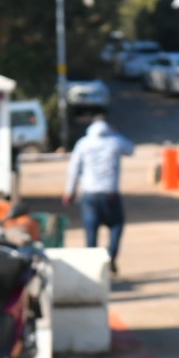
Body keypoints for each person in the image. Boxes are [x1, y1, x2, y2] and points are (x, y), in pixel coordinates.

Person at [62, 109, 135, 273]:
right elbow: (131, 149)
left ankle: (93, 267)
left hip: (89, 195)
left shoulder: (83, 143)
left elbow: (74, 169)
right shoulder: (115, 141)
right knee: (116, 225)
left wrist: (69, 192)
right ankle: (111, 256)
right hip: (110, 194)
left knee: (91, 231)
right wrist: (116, 133)